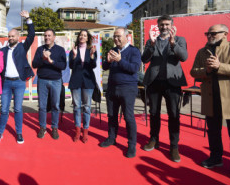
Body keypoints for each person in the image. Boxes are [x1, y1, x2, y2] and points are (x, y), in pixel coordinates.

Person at [191, 24, 230, 185]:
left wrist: (219, 67)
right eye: (207, 33)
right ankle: (216, 158)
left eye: (213, 33)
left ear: (225, 34)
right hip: (211, 97)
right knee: (213, 131)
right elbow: (194, 71)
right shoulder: (202, 51)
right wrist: (207, 71)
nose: (209, 36)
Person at [141, 15, 188, 162]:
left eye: (167, 24)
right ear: (158, 26)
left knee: (174, 114)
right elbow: (144, 59)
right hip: (154, 82)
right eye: (161, 25)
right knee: (154, 112)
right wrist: (152, 45)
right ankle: (154, 139)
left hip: (173, 82)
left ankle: (174, 146)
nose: (164, 27)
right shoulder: (151, 41)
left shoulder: (180, 40)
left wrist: (173, 43)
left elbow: (184, 57)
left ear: (172, 25)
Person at [99, 27, 141, 158]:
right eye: (114, 36)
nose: (116, 39)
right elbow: (105, 67)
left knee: (128, 117)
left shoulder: (134, 51)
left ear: (126, 37)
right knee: (111, 115)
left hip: (128, 88)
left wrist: (120, 60)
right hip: (112, 88)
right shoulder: (113, 50)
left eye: (118, 36)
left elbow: (134, 68)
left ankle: (131, 145)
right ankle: (112, 138)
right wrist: (108, 61)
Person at [0, 11, 35, 144]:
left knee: (17, 109)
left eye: (12, 36)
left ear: (18, 37)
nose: (10, 38)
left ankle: (19, 133)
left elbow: (32, 35)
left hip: (19, 83)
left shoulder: (23, 47)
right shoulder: (3, 51)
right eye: (9, 36)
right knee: (5, 109)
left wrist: (28, 19)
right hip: (6, 83)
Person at [32, 29, 67, 140]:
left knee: (55, 106)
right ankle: (42, 127)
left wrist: (52, 61)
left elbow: (63, 66)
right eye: (45, 35)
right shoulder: (39, 49)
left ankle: (54, 127)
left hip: (56, 81)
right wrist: (43, 59)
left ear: (54, 37)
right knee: (42, 106)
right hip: (42, 80)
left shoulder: (60, 50)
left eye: (49, 35)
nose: (47, 37)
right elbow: (34, 64)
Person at [68, 29, 97, 143]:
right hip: (76, 81)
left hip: (88, 81)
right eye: (81, 35)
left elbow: (93, 65)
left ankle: (85, 130)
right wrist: (74, 56)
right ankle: (77, 130)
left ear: (87, 38)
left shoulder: (91, 50)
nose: (82, 37)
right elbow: (70, 65)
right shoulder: (73, 50)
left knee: (87, 107)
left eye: (85, 35)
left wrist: (92, 56)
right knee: (76, 107)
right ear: (78, 37)